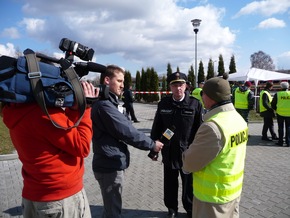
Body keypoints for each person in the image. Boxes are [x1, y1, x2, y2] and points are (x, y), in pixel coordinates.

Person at [1, 81, 98, 218]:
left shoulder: (16, 109)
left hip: (34, 195)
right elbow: (82, 146)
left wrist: (73, 110)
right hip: (60, 198)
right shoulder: (45, 114)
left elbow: (63, 134)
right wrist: (86, 108)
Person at [91, 64, 163, 218]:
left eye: (123, 81)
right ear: (107, 80)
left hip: (112, 161)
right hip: (109, 165)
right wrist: (152, 144)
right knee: (113, 212)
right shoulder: (104, 106)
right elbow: (127, 132)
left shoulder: (112, 103)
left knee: (111, 208)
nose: (122, 85)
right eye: (119, 81)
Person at [182, 77, 248, 218]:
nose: (202, 97)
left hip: (212, 199)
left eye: (203, 94)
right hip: (233, 192)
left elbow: (190, 163)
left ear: (210, 96)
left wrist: (185, 154)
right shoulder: (238, 119)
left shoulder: (213, 127)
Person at [150, 72, 204, 218]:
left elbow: (200, 130)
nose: (178, 88)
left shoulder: (195, 104)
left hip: (188, 152)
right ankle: (171, 208)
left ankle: (190, 208)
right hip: (168, 152)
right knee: (169, 183)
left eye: (181, 84)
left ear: (186, 86)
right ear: (170, 87)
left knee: (189, 184)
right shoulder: (164, 104)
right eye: (174, 85)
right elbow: (157, 127)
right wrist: (153, 149)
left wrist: (197, 151)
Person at [271, 81, 290, 147]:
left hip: (280, 113)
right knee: (288, 128)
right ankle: (288, 142)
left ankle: (280, 142)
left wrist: (276, 109)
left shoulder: (278, 94)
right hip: (289, 114)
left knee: (280, 128)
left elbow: (273, 104)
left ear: (281, 87)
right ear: (288, 87)